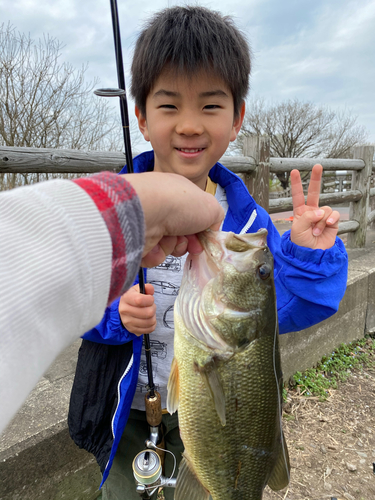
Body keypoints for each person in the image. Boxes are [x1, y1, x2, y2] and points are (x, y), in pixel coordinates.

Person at [68, 6, 348, 500]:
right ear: (142, 116)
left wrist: (306, 256)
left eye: (212, 106)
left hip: (225, 413)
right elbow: (69, 300)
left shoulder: (248, 227)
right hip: (130, 411)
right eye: (170, 105)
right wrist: (115, 314)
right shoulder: (112, 209)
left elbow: (289, 307)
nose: (190, 125)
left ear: (238, 118)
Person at [0, 170, 224, 435]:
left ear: (235, 126)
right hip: (122, 411)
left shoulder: (249, 216)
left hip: (208, 415)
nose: (190, 127)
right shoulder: (132, 195)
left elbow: (275, 312)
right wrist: (116, 314)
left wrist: (289, 255)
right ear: (142, 126)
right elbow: (74, 314)